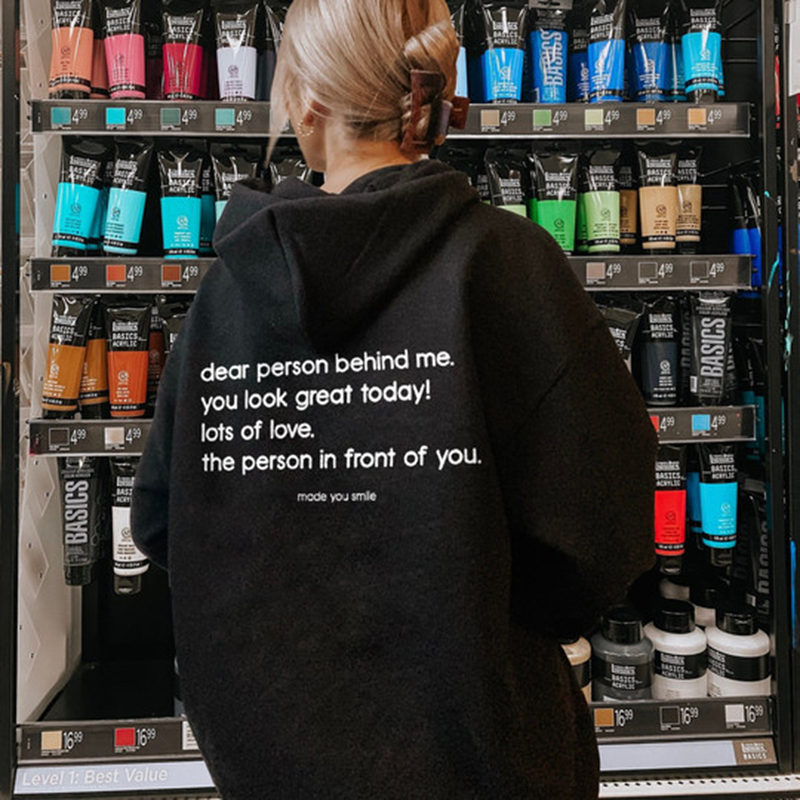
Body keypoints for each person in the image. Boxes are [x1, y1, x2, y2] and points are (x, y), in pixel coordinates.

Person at [131, 0, 657, 797]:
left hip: (269, 765)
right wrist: (469, 595)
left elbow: (163, 523)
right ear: (429, 93)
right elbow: (605, 526)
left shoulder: (224, 297)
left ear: (307, 99)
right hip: (487, 761)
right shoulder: (510, 264)